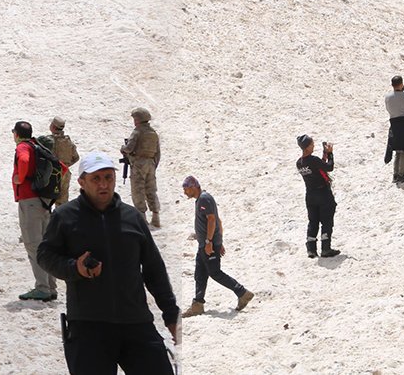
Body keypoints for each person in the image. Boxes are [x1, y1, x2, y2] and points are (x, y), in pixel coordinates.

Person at [37, 152, 179, 375]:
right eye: (96, 179)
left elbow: (154, 269)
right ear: (81, 182)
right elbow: (45, 255)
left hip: (136, 322)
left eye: (108, 177)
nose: (103, 184)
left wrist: (171, 313)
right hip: (88, 326)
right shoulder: (65, 217)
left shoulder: (132, 217)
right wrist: (75, 268)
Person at [180, 176, 253, 318]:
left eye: (186, 189)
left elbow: (213, 220)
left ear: (194, 187)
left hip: (208, 244)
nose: (185, 192)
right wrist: (218, 241)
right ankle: (198, 304)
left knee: (215, 273)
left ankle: (242, 293)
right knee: (200, 274)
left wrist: (210, 242)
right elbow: (218, 220)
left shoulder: (204, 199)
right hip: (205, 244)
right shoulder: (201, 199)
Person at [13, 120, 57, 301]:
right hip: (44, 200)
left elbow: (23, 160)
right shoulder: (36, 145)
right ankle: (51, 286)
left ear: (16, 134)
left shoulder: (23, 147)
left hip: (29, 200)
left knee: (33, 245)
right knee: (46, 244)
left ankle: (42, 287)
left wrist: (20, 178)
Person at [295, 134, 339, 258]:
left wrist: (324, 154)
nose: (313, 145)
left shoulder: (299, 163)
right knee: (326, 220)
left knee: (313, 221)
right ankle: (326, 248)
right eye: (312, 144)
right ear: (308, 147)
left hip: (310, 195)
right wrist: (330, 154)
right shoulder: (313, 160)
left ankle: (311, 249)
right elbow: (328, 167)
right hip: (323, 194)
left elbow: (318, 167)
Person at [119, 107, 161, 228]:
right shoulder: (153, 133)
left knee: (138, 190)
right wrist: (153, 165)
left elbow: (129, 148)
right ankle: (156, 216)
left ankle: (142, 218)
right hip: (151, 164)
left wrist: (123, 148)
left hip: (138, 164)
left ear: (138, 120)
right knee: (151, 189)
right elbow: (158, 153)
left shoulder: (137, 132)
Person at [49, 117, 80, 208]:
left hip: (51, 174)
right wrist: (65, 165)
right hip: (65, 173)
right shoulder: (68, 142)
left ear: (53, 127)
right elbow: (76, 157)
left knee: (47, 201)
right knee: (62, 203)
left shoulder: (49, 141)